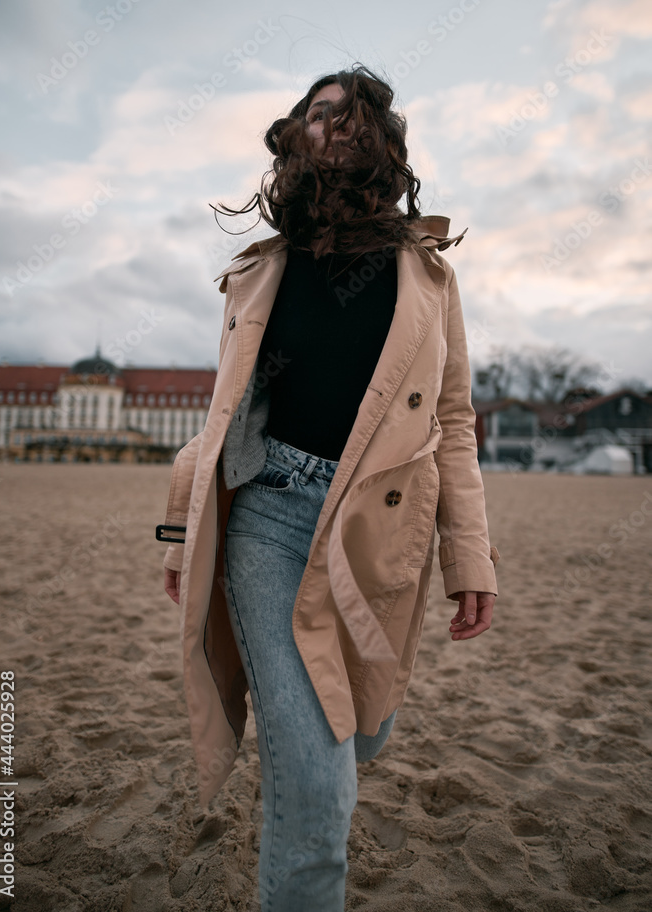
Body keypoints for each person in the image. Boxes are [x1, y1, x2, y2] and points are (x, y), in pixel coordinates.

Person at [159, 64, 499, 911]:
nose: (336, 127)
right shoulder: (258, 273)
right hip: (268, 516)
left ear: (383, 142)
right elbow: (224, 414)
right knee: (316, 789)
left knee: (363, 731)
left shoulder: (427, 278)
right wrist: (180, 530)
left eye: (356, 117)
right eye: (320, 114)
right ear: (295, 133)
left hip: (380, 535)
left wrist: (470, 558)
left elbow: (451, 421)